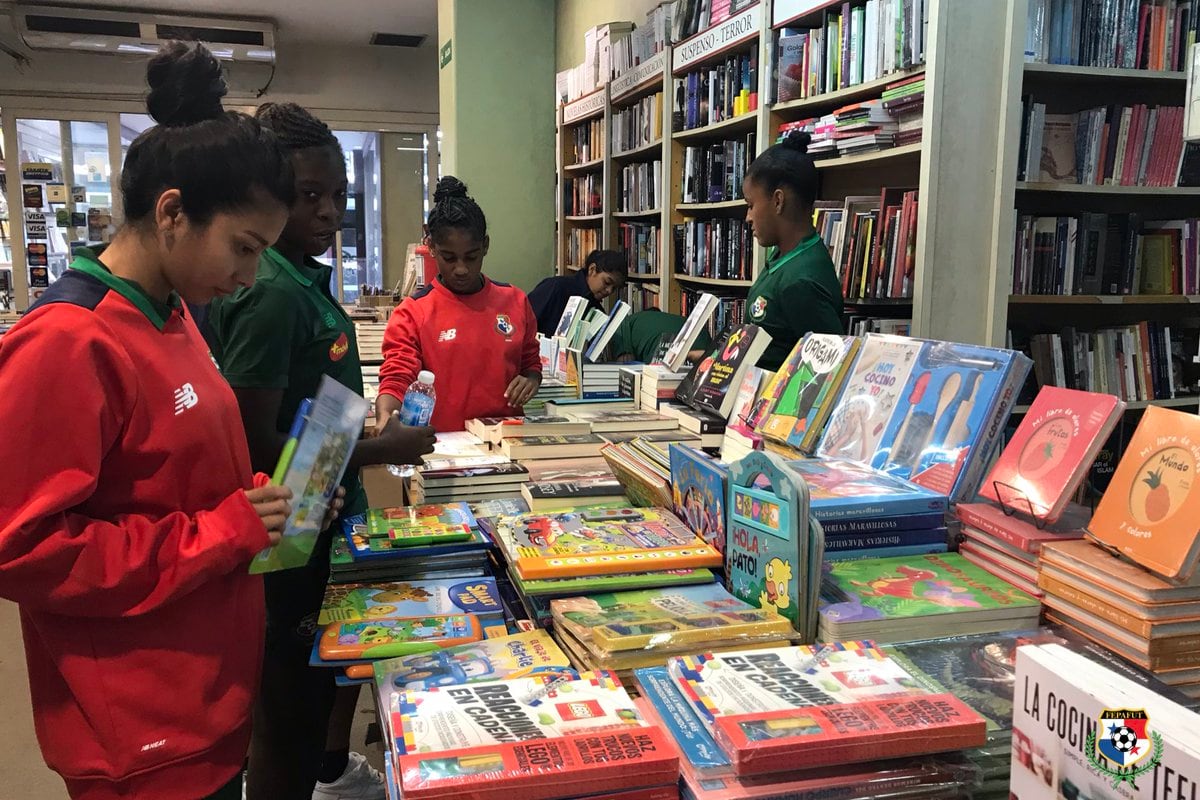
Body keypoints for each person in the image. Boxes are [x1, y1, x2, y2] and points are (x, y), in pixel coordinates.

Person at [0, 42, 302, 800]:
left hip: (205, 695)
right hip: (141, 727)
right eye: (243, 246)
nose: (250, 275)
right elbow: (24, 547)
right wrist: (220, 532)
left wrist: (248, 500)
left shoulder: (172, 315)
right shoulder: (67, 341)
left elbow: (170, 474)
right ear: (172, 212)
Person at [205, 102, 436, 800]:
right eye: (310, 196)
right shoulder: (272, 289)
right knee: (287, 708)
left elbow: (302, 407)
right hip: (284, 529)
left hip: (312, 511)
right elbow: (254, 437)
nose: (331, 211)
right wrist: (378, 449)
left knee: (306, 689)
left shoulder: (299, 275)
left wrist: (358, 436)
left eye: (340, 195)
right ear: (272, 195)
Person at [377, 176, 542, 432]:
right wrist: (386, 416)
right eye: (449, 258)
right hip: (443, 447)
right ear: (430, 246)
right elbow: (397, 375)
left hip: (506, 446)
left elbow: (531, 362)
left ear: (485, 246)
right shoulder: (413, 312)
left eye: (471, 256)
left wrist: (531, 379)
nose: (462, 269)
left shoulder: (515, 301)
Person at [742, 130, 845, 371]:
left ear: (778, 201)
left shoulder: (801, 280)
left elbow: (828, 370)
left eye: (750, 205)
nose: (747, 217)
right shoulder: (782, 256)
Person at [527, 248, 627, 335]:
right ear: (592, 270)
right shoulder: (556, 287)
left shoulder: (597, 312)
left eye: (614, 288)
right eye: (607, 282)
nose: (609, 291)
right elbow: (522, 323)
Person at [609, 307, 712, 364]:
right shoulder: (650, 319)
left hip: (664, 353)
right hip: (705, 343)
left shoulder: (620, 329)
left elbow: (625, 365)